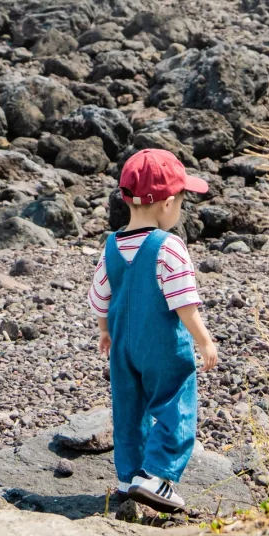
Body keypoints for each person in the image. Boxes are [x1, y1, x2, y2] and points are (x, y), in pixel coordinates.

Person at [88, 147, 219, 512]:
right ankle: (159, 476)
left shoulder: (111, 245)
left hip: (123, 348)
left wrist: (105, 332)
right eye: (181, 200)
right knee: (176, 400)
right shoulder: (168, 245)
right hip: (161, 345)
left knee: (129, 408)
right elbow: (183, 301)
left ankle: (130, 477)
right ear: (166, 204)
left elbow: (100, 295)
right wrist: (204, 340)